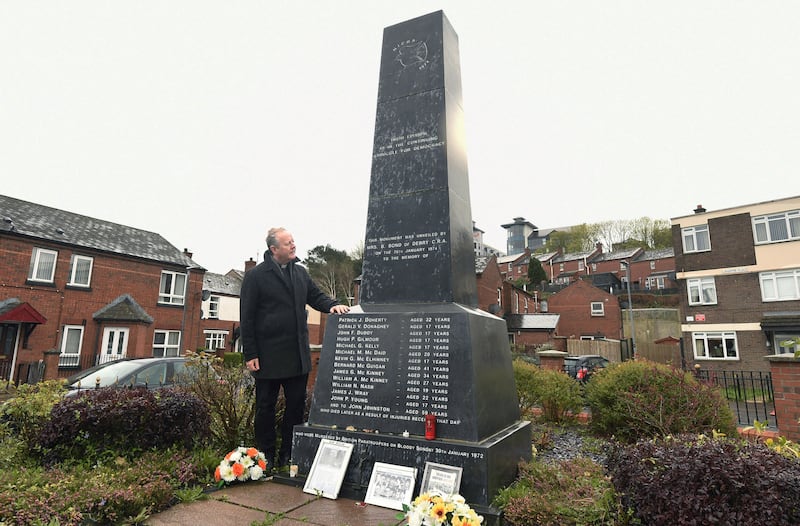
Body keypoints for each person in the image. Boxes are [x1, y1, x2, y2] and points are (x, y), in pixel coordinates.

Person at [240, 227, 350, 471]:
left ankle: (289, 455)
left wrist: (333, 306)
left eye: (293, 241)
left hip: (297, 356)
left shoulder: (300, 273)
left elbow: (315, 296)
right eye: (288, 243)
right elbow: (246, 318)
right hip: (267, 356)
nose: (293, 245)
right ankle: (265, 457)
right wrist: (251, 354)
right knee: (265, 409)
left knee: (295, 408)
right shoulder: (256, 276)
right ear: (274, 249)